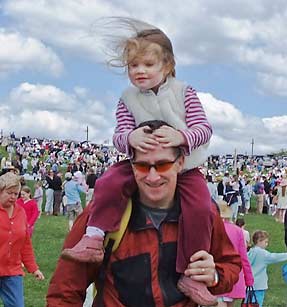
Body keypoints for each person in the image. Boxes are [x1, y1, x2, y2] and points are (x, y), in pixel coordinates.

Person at [61, 18, 216, 304]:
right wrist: (131, 138)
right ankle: (94, 237)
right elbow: (118, 135)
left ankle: (191, 274)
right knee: (108, 182)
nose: (139, 71)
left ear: (167, 65)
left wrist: (181, 136)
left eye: (148, 64)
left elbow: (204, 129)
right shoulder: (126, 99)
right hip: (140, 162)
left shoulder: (185, 92)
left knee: (201, 208)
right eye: (134, 65)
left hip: (185, 164)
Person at [46, 122, 241, 306]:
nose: (153, 176)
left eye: (163, 165)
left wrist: (214, 276)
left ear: (180, 163)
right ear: (131, 165)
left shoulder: (202, 213)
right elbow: (65, 290)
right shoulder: (102, 214)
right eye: (143, 166)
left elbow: (231, 264)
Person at [0, 172, 45, 306]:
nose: (13, 197)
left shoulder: (20, 213)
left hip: (12, 271)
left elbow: (25, 243)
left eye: (16, 194)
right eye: (9, 193)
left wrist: (34, 268)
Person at [247, 230, 287, 307]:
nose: (267, 244)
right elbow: (276, 257)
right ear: (259, 241)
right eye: (265, 242)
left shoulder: (250, 252)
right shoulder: (263, 254)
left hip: (248, 285)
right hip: (259, 286)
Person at [217, 202, 254, 306]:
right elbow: (243, 258)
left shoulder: (211, 228)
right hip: (234, 276)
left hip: (217, 275)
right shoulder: (238, 231)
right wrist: (249, 279)